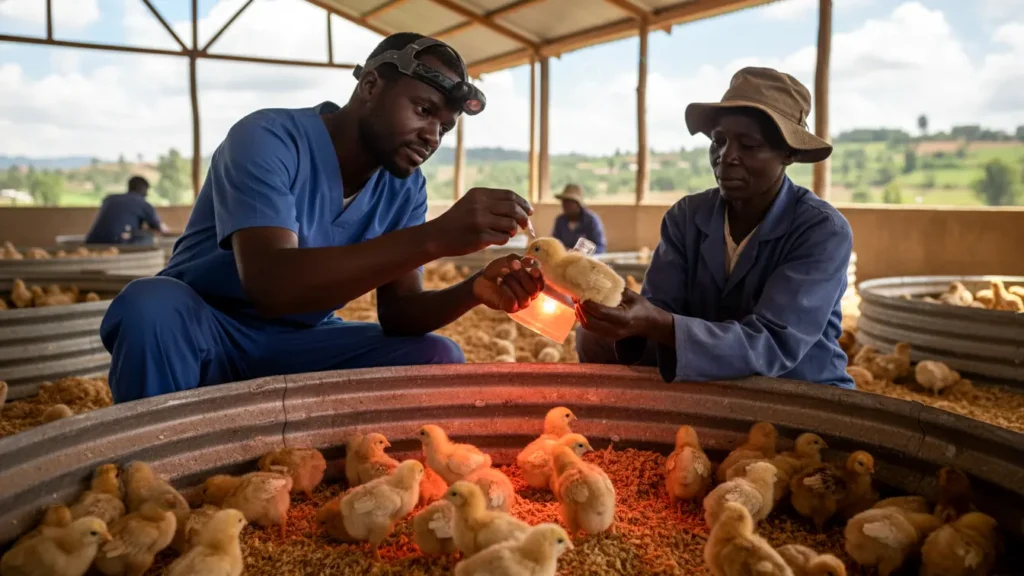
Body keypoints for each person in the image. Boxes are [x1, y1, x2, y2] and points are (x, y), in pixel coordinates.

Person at [100, 33, 545, 403]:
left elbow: (400, 313)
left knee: (437, 357)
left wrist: (474, 289)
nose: (432, 136)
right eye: (424, 110)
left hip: (297, 344)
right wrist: (437, 237)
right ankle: (149, 467)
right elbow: (271, 285)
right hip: (201, 333)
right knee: (151, 305)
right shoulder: (267, 138)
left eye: (445, 128)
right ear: (370, 86)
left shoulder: (405, 187)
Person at [575, 67, 854, 388]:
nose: (727, 156)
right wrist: (625, 318)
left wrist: (659, 324)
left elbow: (774, 344)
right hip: (703, 383)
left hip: (796, 390)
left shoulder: (821, 230)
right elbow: (660, 308)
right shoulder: (687, 216)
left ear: (787, 153)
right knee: (592, 336)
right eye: (719, 141)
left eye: (748, 145)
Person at [85, 176, 171, 245]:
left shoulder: (109, 199)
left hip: (92, 242)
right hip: (117, 243)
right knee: (148, 237)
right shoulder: (143, 204)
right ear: (145, 190)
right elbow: (160, 228)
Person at [550, 184, 607, 254]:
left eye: (569, 202)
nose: (565, 205)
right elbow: (555, 243)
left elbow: (600, 247)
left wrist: (582, 253)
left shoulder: (591, 220)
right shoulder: (560, 221)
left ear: (578, 204)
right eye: (564, 201)